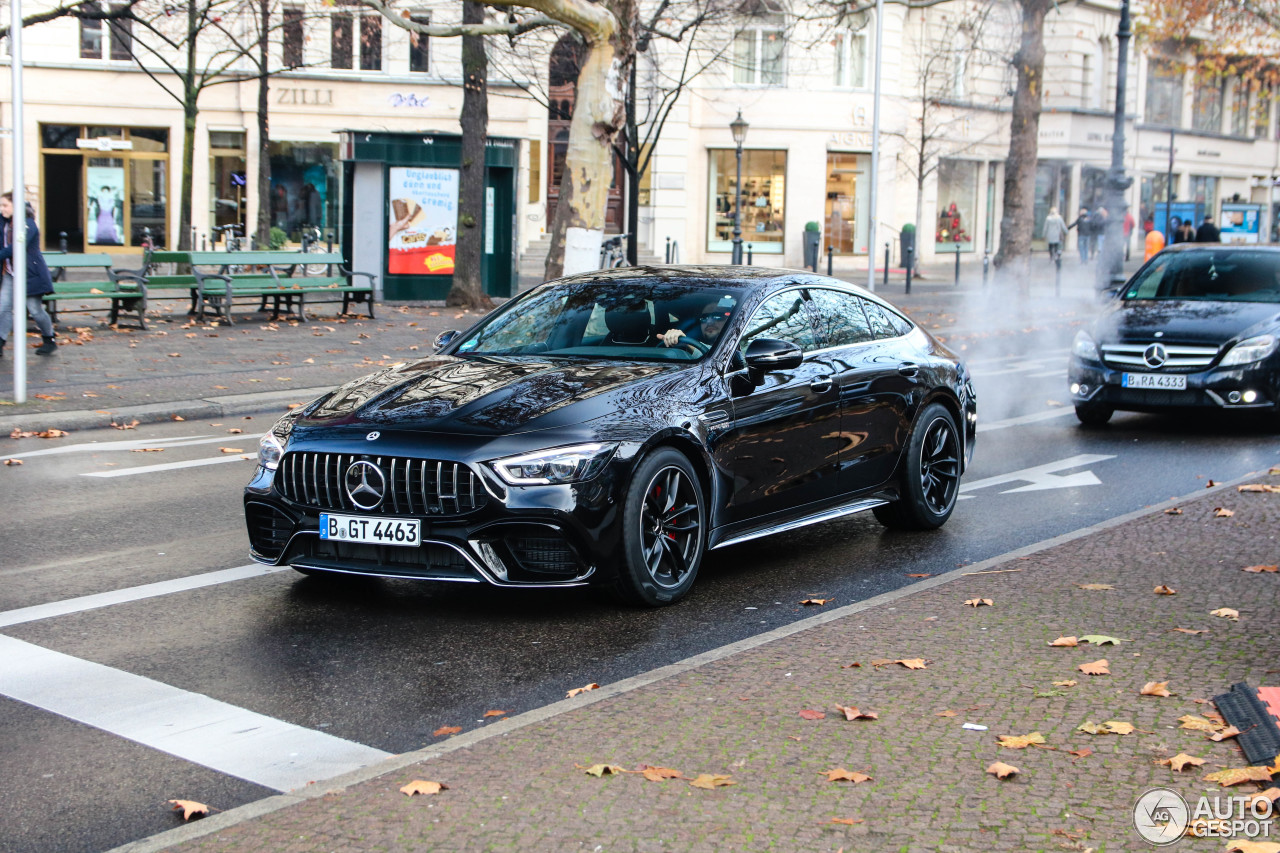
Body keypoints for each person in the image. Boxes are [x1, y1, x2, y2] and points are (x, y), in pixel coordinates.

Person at [0, 192, 57, 357]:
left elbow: (16, 246)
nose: (2, 209)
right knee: (3, 307)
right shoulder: (4, 222)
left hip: (30, 275)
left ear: (16, 207)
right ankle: (1, 342)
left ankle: (49, 339)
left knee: (35, 309)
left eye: (5, 205)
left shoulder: (28, 225)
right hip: (11, 273)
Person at [658, 298, 732, 354]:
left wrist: (687, 343)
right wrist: (676, 338)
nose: (709, 322)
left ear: (729, 320)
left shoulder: (733, 347)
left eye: (717, 316)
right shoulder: (686, 354)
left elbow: (718, 358)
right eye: (704, 318)